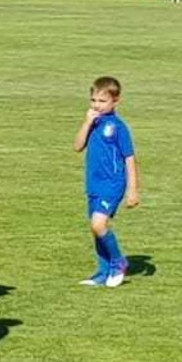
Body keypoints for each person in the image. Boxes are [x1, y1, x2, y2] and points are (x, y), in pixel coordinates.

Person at [73, 75, 140, 287]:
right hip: (94, 184)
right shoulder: (93, 123)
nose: (97, 105)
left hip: (113, 183)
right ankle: (103, 272)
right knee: (95, 229)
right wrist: (87, 122)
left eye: (102, 101)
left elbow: (129, 158)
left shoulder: (118, 127)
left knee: (98, 224)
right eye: (93, 100)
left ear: (115, 100)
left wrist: (133, 189)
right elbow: (77, 146)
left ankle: (118, 261)